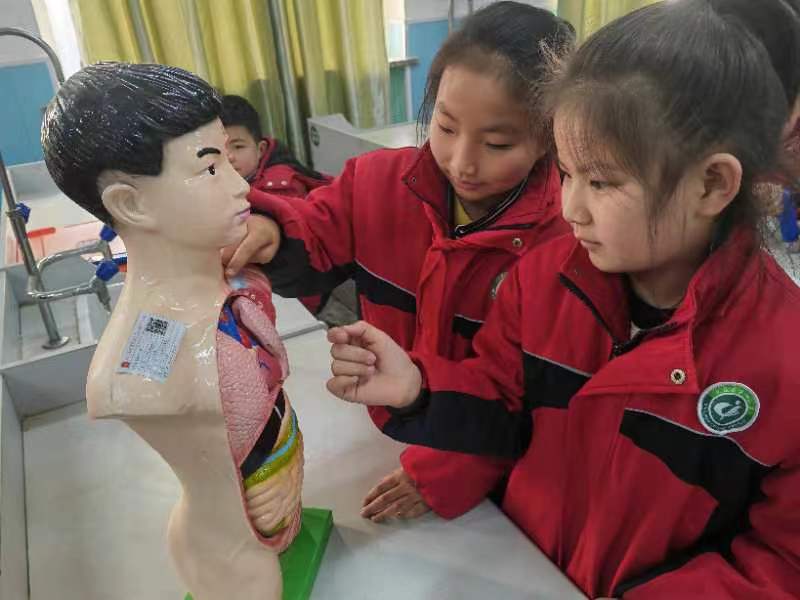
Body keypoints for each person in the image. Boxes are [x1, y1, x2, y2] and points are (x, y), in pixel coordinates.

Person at [327, 1, 800, 597]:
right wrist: (418, 388)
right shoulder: (543, 280)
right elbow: (502, 407)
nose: (571, 208)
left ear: (711, 184)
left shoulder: (783, 359)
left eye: (600, 181)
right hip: (518, 573)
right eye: (567, 174)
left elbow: (782, 558)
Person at [226, 1, 574, 522]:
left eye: (497, 143)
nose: (462, 162)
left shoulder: (563, 245)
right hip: (395, 426)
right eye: (446, 127)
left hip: (490, 469)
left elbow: (520, 405)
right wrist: (272, 232)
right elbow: (315, 229)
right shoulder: (378, 183)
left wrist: (438, 476)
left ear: (550, 137)